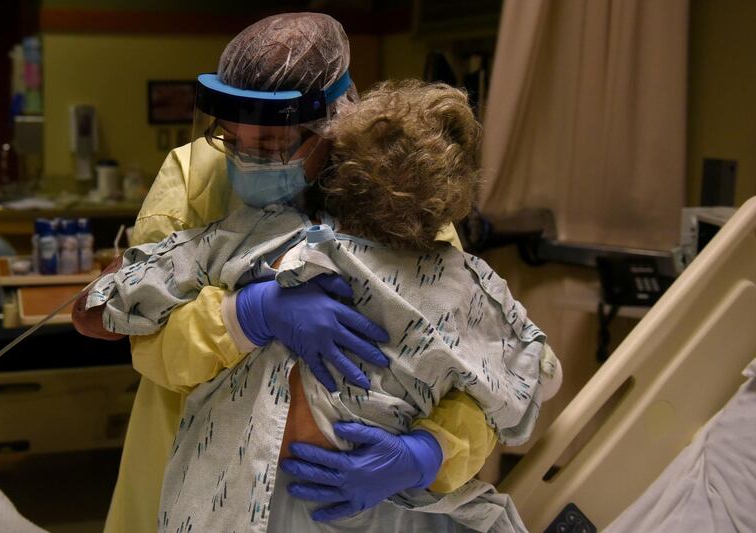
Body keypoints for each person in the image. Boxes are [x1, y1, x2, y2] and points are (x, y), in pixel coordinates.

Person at [73, 14, 505, 533]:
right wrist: (244, 315)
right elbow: (142, 334)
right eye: (233, 139)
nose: (247, 161)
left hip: (359, 500)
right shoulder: (196, 180)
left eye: (272, 145)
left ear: (332, 125)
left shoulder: (403, 195)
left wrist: (429, 451)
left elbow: (482, 360)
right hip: (205, 483)